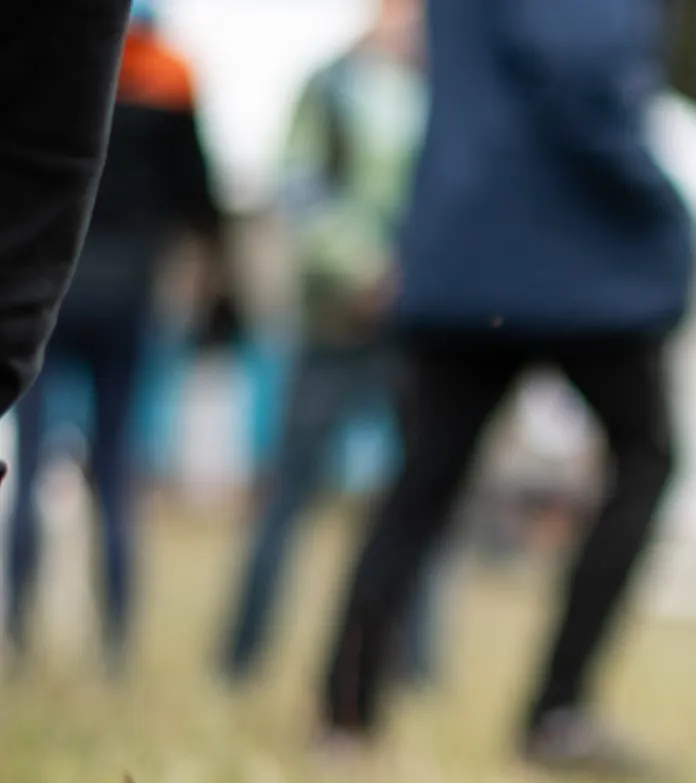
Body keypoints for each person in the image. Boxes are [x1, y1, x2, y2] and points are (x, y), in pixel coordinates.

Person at [317, 0, 696, 777]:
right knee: (645, 457)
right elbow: (585, 78)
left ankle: (345, 713)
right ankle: (556, 713)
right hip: (578, 262)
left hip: (461, 250)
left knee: (418, 485)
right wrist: (668, 218)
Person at [8, 0, 237, 673]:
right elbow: (200, 198)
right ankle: (115, 641)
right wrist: (223, 293)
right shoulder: (170, 73)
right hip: (130, 300)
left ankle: (17, 628)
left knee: (28, 465)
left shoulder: (42, 57)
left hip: (47, 292)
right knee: (115, 468)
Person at [220, 0, 430, 685]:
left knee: (419, 498)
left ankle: (413, 668)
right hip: (335, 321)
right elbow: (301, 188)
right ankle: (242, 654)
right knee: (287, 496)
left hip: (416, 326)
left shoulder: (442, 85)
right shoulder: (330, 84)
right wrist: (364, 268)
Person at [0, 0, 130, 416]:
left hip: (67, 280)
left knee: (43, 420)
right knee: (112, 415)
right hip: (110, 277)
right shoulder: (171, 75)